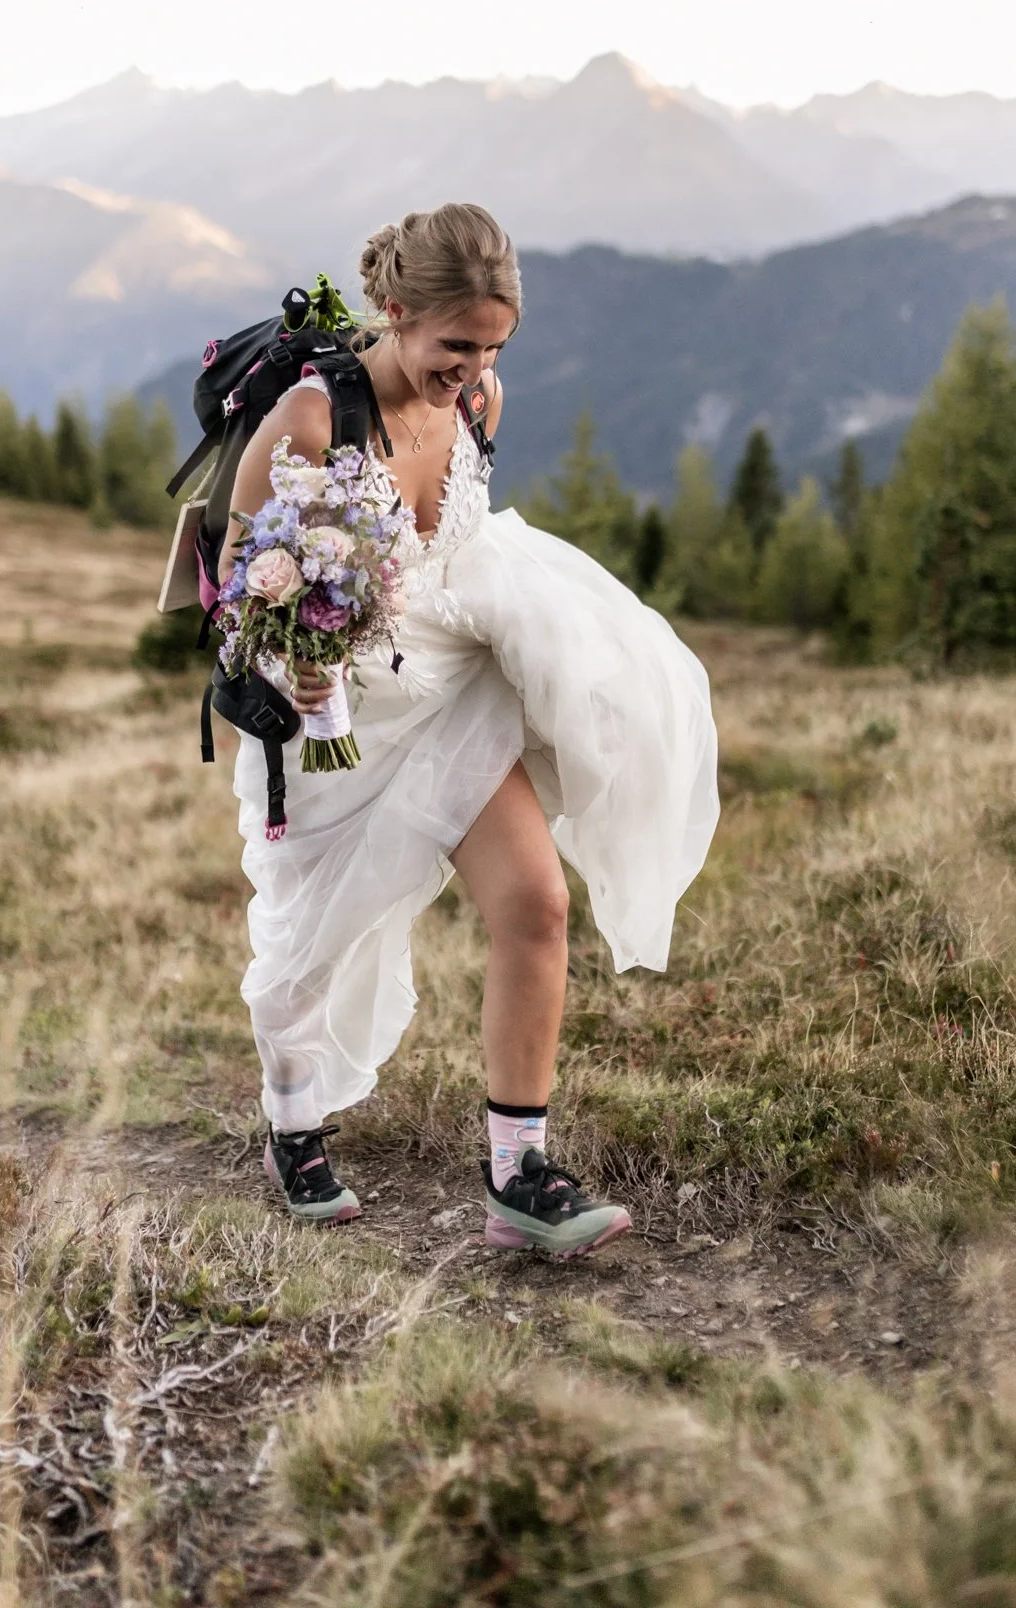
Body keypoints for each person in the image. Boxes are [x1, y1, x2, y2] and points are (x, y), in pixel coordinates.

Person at [222, 203, 719, 1256]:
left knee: (537, 902)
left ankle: (517, 1176)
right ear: (396, 310)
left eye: (493, 345)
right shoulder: (314, 419)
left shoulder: (482, 397)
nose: (474, 368)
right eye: (456, 344)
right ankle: (294, 1118)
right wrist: (296, 661)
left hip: (455, 686)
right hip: (334, 723)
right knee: (314, 939)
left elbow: (454, 534)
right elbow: (236, 578)